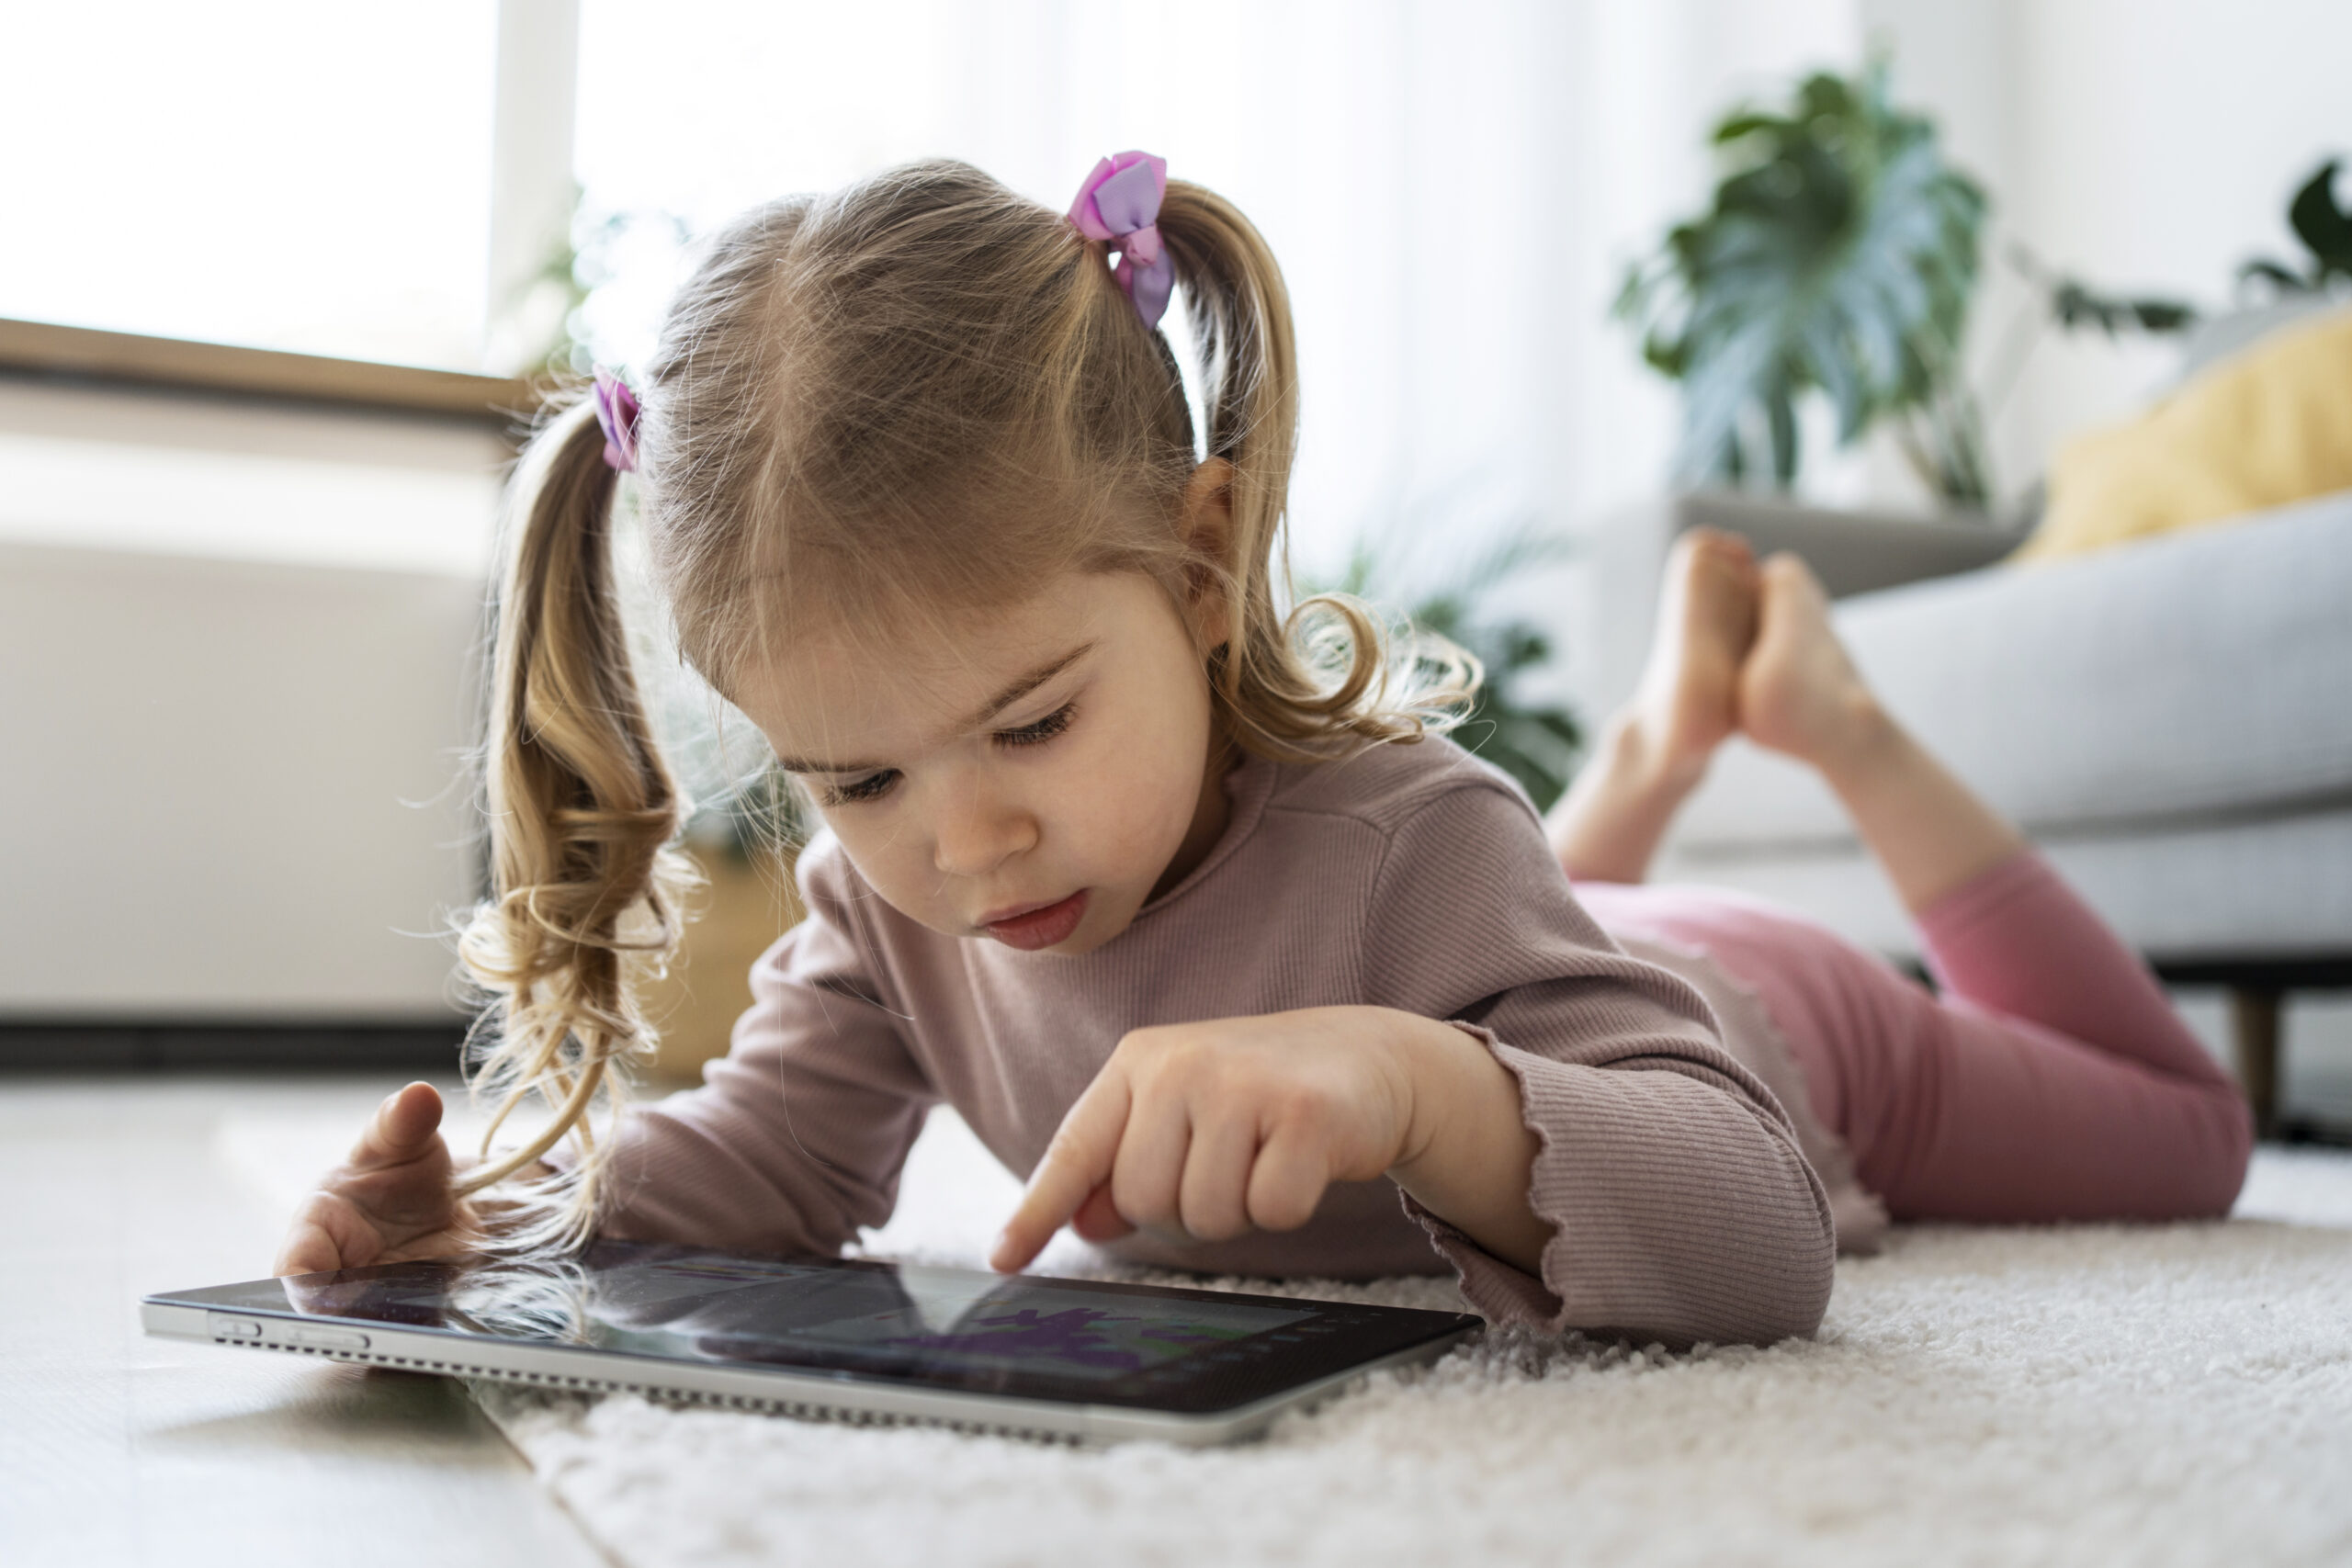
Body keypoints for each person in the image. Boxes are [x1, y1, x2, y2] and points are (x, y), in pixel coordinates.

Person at [274, 154, 2251, 1349]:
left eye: (1030, 718)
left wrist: (1405, 1078)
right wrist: (521, 1211)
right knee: (1528, 912)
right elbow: (771, 1172)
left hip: (1765, 1006)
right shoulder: (888, 915)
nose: (963, 840)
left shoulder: (1411, 840)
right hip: (1540, 929)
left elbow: (1752, 1232)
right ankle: (1642, 766)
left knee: (2180, 1141)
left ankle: (1836, 727)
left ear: (1200, 566)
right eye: (856, 777)